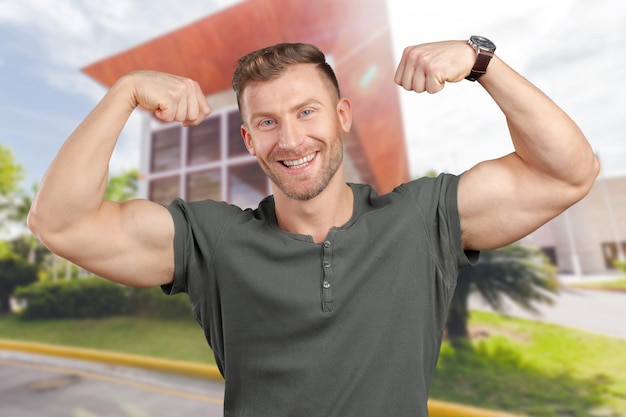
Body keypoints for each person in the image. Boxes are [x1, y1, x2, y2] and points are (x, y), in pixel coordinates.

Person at [28, 38, 599, 416]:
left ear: (342, 117)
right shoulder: (213, 240)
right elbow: (61, 223)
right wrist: (122, 92)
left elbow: (569, 173)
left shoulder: (422, 219)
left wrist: (482, 62)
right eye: (268, 122)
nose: (292, 139)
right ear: (249, 140)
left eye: (307, 112)